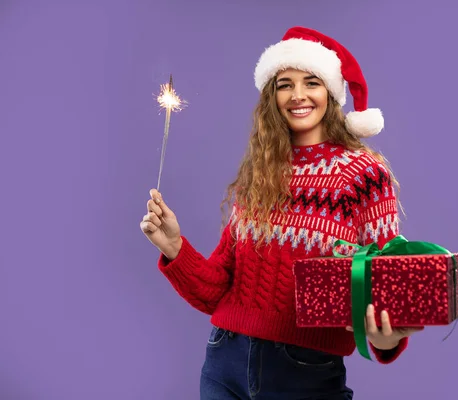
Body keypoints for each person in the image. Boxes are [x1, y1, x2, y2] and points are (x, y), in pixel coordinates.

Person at [140, 26, 423, 399]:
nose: (298, 95)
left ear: (331, 94)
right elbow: (217, 292)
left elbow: (383, 284)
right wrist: (174, 246)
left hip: (306, 370)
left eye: (312, 82)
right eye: (285, 84)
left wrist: (386, 338)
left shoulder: (362, 174)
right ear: (271, 96)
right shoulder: (260, 172)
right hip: (224, 360)